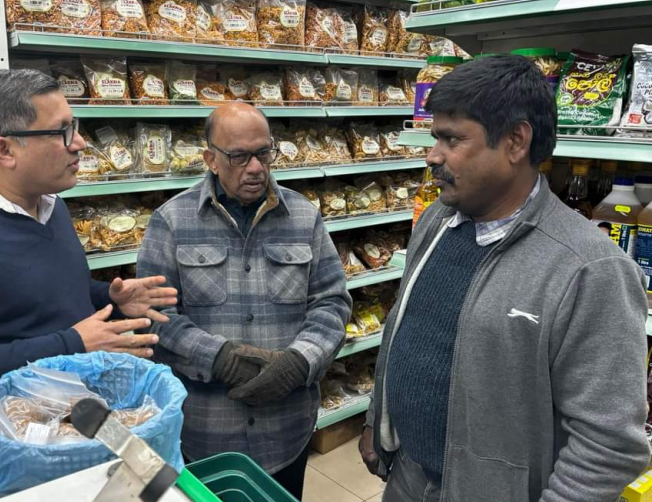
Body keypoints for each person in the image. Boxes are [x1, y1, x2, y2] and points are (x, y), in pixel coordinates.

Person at [359, 55, 650, 501]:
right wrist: (377, 424)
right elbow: (406, 331)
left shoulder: (589, 270)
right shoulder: (438, 220)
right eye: (435, 136)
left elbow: (608, 444)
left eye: (451, 139)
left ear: (515, 141)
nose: (432, 155)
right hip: (407, 477)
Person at [136, 102, 351, 499]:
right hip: (204, 431)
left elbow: (332, 303)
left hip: (286, 429)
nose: (255, 168)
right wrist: (219, 358)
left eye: (264, 153)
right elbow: (154, 314)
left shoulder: (304, 217)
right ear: (211, 159)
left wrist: (299, 362)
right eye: (238, 156)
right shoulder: (171, 221)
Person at [0, 69, 177, 384]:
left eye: (74, 126)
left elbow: (45, 300)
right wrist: (73, 345)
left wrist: (109, 298)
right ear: (5, 150)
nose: (80, 143)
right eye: (61, 131)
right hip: (13, 426)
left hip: (77, 412)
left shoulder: (50, 204)